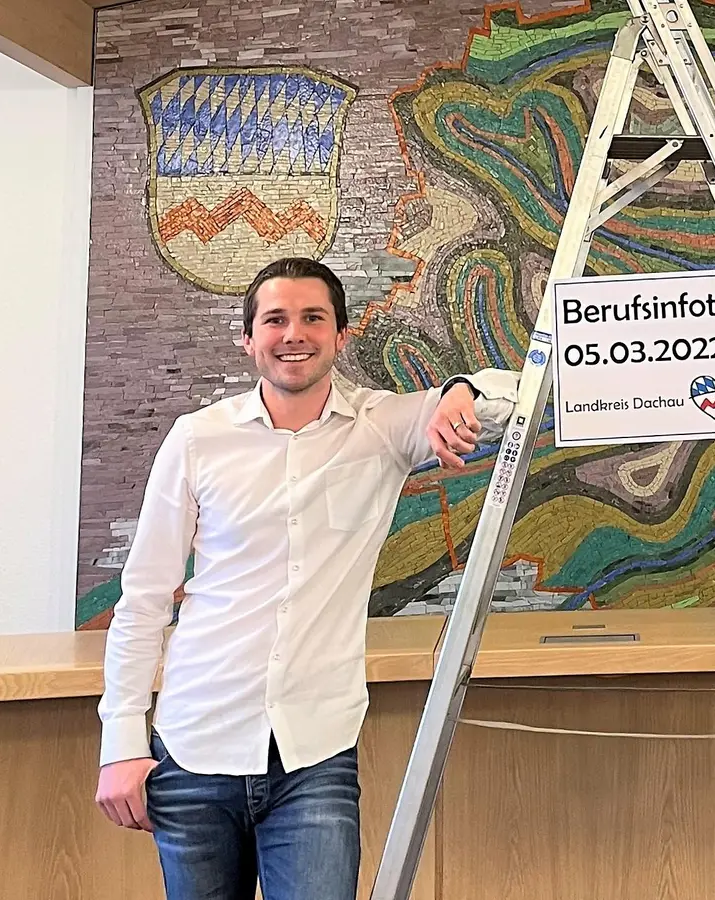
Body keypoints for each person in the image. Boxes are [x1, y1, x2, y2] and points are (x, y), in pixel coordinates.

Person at [93, 257, 519, 899]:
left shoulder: (383, 427)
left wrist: (462, 389)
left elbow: (520, 399)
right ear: (248, 338)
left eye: (313, 318)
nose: (294, 333)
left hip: (313, 760)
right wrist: (121, 741)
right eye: (276, 319)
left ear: (341, 335)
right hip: (192, 751)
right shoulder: (198, 440)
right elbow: (144, 600)